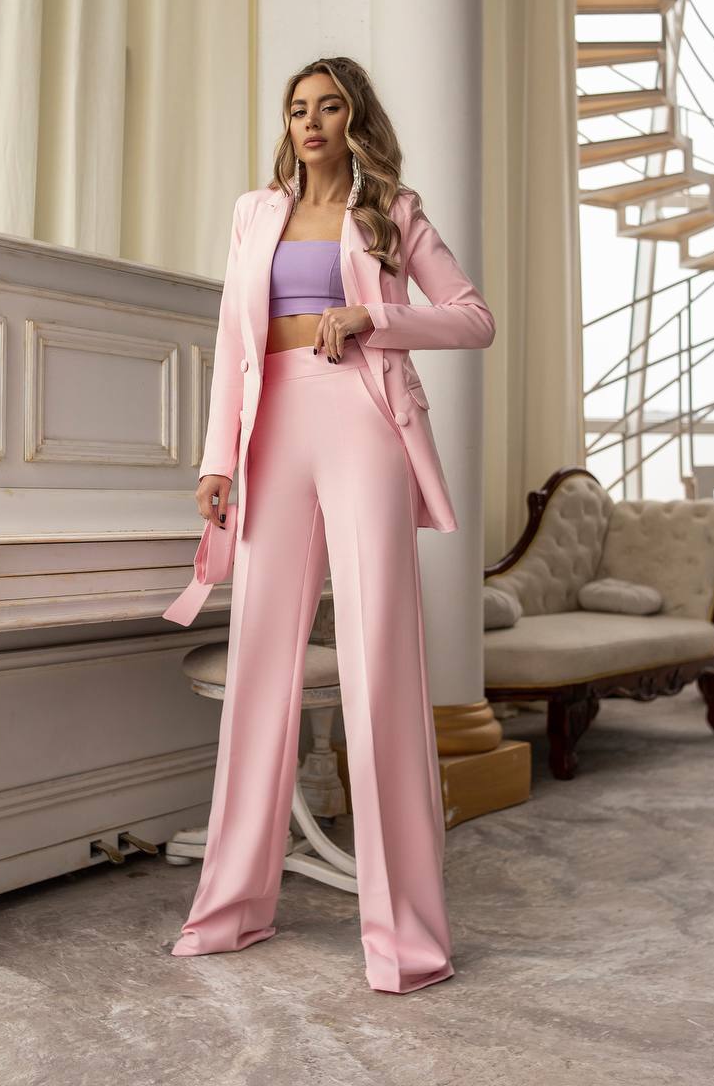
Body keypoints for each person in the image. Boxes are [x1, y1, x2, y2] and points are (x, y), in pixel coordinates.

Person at [170, 55, 496, 993]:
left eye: (329, 106)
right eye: (298, 107)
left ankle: (407, 943)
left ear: (355, 118)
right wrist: (216, 462)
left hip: (361, 420)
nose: (310, 121)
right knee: (258, 661)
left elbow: (472, 319)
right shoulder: (253, 211)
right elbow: (233, 340)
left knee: (380, 663)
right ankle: (231, 909)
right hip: (270, 427)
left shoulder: (390, 210)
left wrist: (371, 316)